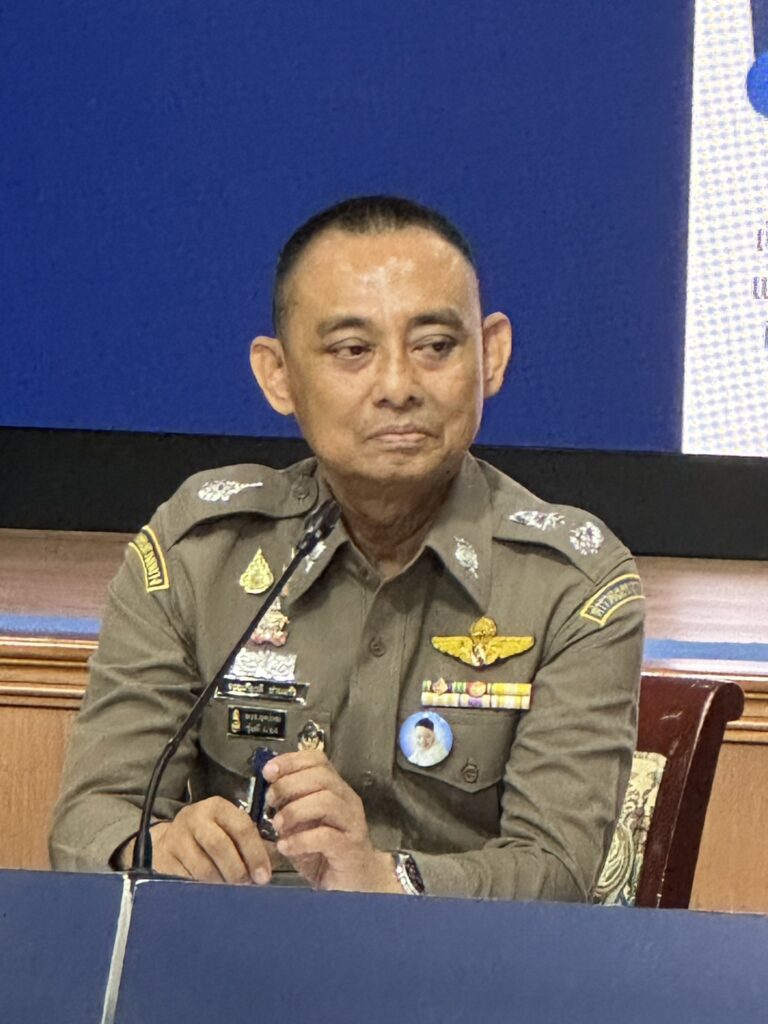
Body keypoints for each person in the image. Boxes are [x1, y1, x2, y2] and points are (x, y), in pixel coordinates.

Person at [49, 196, 644, 899]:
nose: (398, 387)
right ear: (278, 374)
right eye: (353, 351)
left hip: (459, 964)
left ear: (492, 355)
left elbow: (557, 875)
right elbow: (90, 818)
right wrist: (159, 847)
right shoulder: (200, 555)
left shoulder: (572, 585)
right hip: (232, 954)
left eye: (435, 346)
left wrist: (384, 880)